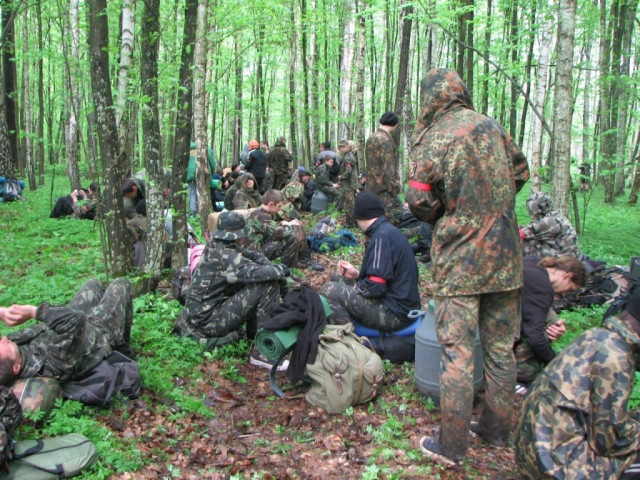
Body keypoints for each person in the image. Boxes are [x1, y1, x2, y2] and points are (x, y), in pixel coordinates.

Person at [406, 68, 530, 464]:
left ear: (429, 98)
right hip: (505, 257)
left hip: (461, 260)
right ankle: (497, 432)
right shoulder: (494, 127)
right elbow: (521, 171)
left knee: (457, 354)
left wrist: (453, 209)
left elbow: (419, 202)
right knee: (501, 351)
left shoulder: (434, 136)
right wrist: (493, 204)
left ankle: (453, 447)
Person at [514, 288, 640, 480]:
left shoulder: (597, 336)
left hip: (533, 454)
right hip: (555, 468)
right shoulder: (616, 356)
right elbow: (608, 442)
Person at [173, 212, 287, 367]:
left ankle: (253, 337)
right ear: (237, 235)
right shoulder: (227, 258)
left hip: (200, 317)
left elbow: (253, 256)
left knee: (259, 282)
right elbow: (266, 274)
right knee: (268, 286)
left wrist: (266, 264)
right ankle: (262, 353)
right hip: (207, 322)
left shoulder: (215, 247)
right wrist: (281, 270)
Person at [0, 278, 134, 385]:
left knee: (94, 284)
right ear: (16, 368)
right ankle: (123, 347)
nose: (5, 339)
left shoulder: (13, 355)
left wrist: (2, 313)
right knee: (121, 284)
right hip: (98, 332)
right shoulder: (51, 361)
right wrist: (33, 312)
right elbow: (75, 319)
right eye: (6, 345)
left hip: (71, 328)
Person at [319, 192, 421, 331]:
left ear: (360, 216)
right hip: (400, 303)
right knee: (338, 277)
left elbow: (375, 287)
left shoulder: (381, 237)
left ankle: (348, 338)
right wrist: (357, 274)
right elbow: (382, 276)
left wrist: (356, 289)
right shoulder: (388, 231)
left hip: (395, 314)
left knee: (328, 290)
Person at [515, 256, 587, 390]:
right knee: (545, 327)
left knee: (551, 319)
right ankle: (520, 376)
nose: (565, 295)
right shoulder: (542, 287)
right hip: (493, 316)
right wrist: (554, 362)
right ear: (568, 276)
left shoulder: (535, 264)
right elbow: (534, 337)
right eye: (570, 289)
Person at [247, 189, 309, 268]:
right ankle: (288, 269)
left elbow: (270, 229)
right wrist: (288, 225)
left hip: (256, 247)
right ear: (271, 204)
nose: (279, 209)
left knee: (290, 234)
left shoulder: (259, 212)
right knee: (291, 238)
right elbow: (279, 233)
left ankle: (298, 261)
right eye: (279, 206)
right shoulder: (261, 216)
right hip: (254, 254)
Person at [365, 111, 404, 225]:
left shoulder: (371, 137)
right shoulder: (385, 140)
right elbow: (388, 168)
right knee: (386, 220)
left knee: (373, 219)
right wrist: (393, 187)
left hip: (371, 186)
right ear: (395, 124)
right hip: (383, 188)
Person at [519, 191, 582, 259]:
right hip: (570, 257)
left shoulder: (546, 222)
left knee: (522, 242)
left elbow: (520, 234)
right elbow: (529, 228)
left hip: (563, 259)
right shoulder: (556, 216)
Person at [186, 141, 216, 216]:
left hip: (190, 175)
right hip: (203, 174)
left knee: (192, 194)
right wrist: (212, 174)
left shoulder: (189, 150)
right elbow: (212, 164)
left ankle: (193, 214)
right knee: (202, 194)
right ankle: (202, 214)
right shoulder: (207, 149)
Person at [337, 140, 359, 227]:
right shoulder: (348, 155)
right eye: (340, 147)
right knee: (351, 203)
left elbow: (348, 171)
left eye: (343, 147)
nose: (341, 149)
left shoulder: (347, 157)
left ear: (347, 147)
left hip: (349, 185)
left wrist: (341, 177)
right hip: (350, 184)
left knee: (349, 204)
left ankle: (350, 223)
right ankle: (354, 222)